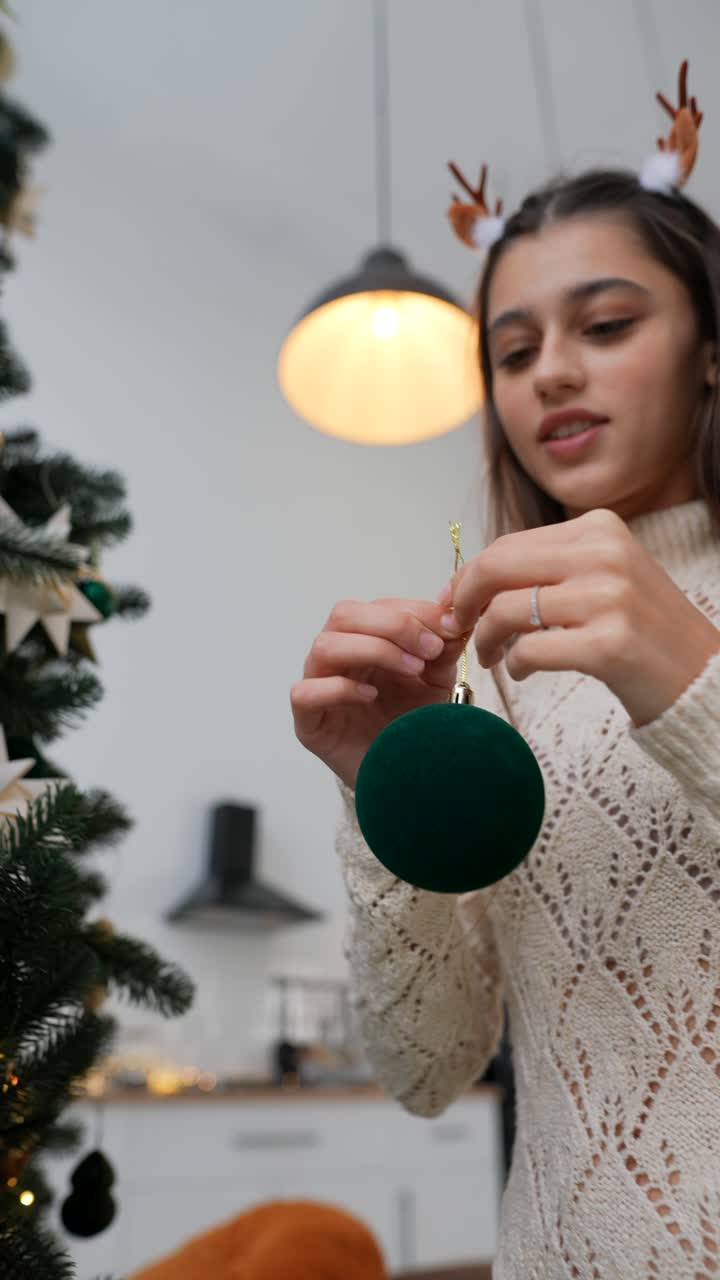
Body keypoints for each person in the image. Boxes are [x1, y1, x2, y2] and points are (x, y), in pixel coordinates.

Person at [290, 63, 720, 1277]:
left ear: (711, 350)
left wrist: (691, 679)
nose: (550, 375)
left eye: (608, 324)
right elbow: (427, 1069)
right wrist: (383, 799)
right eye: (513, 347)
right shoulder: (505, 663)